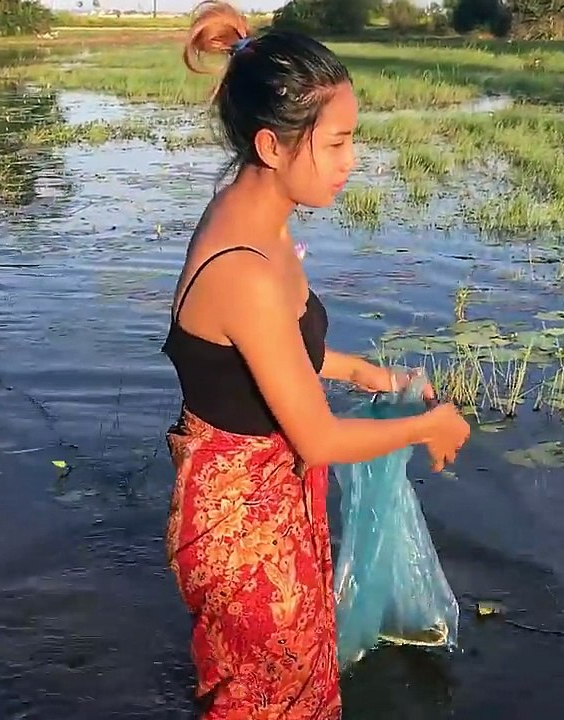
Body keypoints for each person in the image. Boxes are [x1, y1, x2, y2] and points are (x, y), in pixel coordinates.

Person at [160, 3, 472, 718]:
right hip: (242, 534)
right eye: (336, 144)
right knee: (268, 698)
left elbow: (276, 355)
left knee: (275, 688)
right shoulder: (246, 269)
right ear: (273, 146)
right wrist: (429, 427)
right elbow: (321, 439)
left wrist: (368, 374)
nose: (351, 161)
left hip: (262, 501)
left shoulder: (253, 216)